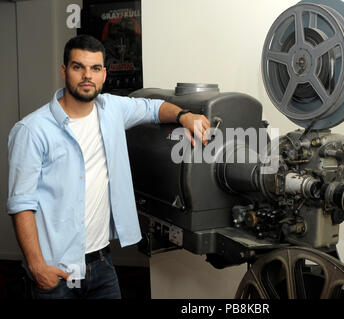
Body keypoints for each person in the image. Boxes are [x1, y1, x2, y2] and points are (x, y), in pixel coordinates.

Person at [7, 35, 210, 299]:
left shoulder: (112, 109)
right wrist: (37, 267)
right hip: (55, 269)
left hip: (101, 263)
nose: (86, 76)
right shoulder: (32, 130)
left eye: (95, 68)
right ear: (64, 71)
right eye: (78, 67)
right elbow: (21, 204)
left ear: (104, 74)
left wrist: (185, 116)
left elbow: (154, 108)